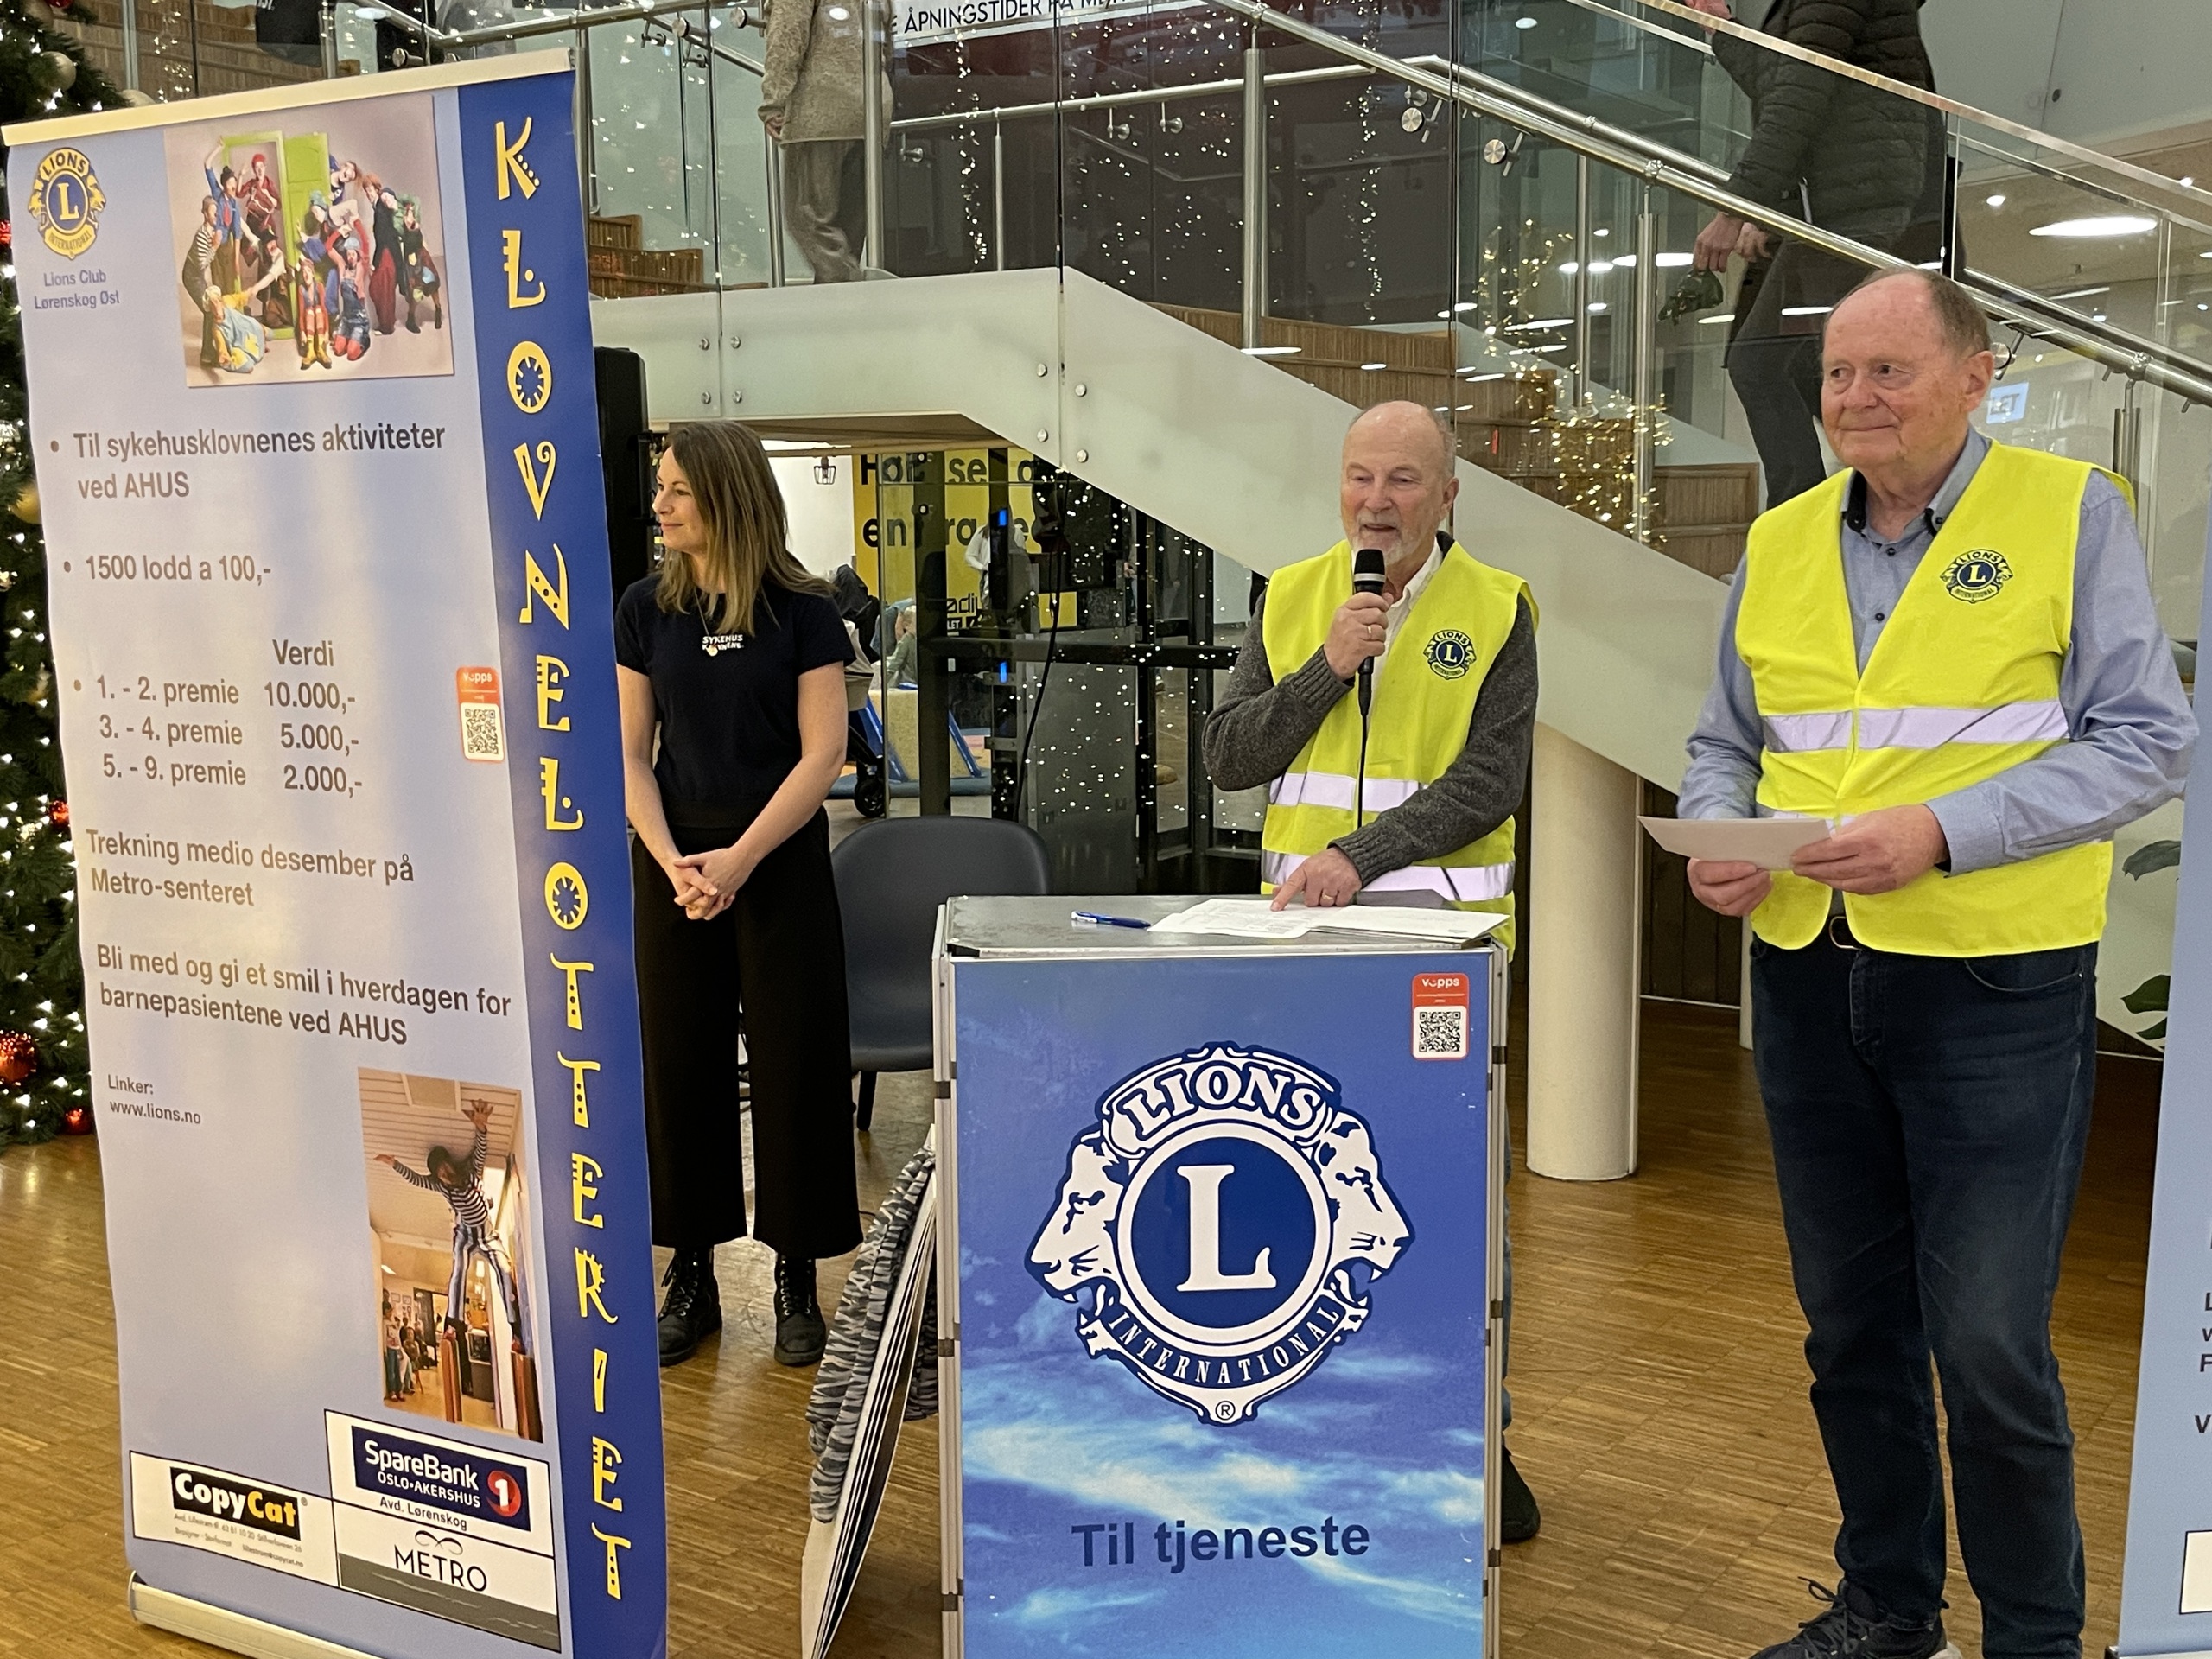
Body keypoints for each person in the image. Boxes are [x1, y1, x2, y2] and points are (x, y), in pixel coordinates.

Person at [1679, 269, 2194, 1659]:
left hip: (1993, 983)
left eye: (1888, 371)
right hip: (1808, 973)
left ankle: (2034, 1640)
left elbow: (2151, 740)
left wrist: (1944, 833)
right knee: (1849, 1330)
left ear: (1977, 376)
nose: (1854, 398)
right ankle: (1889, 1610)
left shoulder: (2072, 512)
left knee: (1987, 1347)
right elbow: (1726, 737)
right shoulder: (1781, 538)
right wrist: (1721, 834)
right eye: (1838, 373)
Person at [1201, 398, 1543, 1541]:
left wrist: (1365, 855)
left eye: (1403, 479)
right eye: (1360, 476)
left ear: (1448, 494)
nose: (1377, 501)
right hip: (1302, 959)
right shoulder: (1292, 596)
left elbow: (1491, 780)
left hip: (1438, 958)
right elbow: (1228, 758)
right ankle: (1324, 1428)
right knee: (1309, 1195)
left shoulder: (1497, 609)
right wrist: (1326, 668)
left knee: (1451, 1199)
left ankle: (1477, 1437)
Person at [617, 420, 862, 1369]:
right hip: (673, 865)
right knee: (679, 1064)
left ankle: (797, 1270)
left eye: (676, 488)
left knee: (798, 1062)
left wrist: (740, 859)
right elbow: (630, 755)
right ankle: (692, 1273)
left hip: (778, 859)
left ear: (726, 493)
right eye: (660, 487)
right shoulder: (645, 609)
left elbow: (824, 755)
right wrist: (675, 858)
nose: (660, 505)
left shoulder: (805, 611)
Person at [1684, 0, 1947, 509]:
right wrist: (1721, 27)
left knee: (1764, 364)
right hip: (1839, 198)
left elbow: (1796, 100)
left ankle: (1808, 520)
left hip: (1856, 200)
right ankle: (1874, 498)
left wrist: (1736, 209)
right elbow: (1785, 81)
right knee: (1807, 365)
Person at [375, 1099, 530, 1357]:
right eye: (440, 1174)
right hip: (465, 1235)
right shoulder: (440, 1185)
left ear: (451, 1165)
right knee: (458, 1272)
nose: (445, 1176)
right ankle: (452, 1326)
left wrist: (481, 1126)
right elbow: (416, 1180)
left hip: (487, 1234)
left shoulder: (470, 1172)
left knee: (504, 1272)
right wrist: (395, 1164)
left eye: (445, 1170)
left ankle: (515, 1332)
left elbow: (480, 1150)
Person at [759, 0, 884, 283]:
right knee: (848, 229)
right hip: (870, 107)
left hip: (821, 107)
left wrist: (773, 100)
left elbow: (787, 34)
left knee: (808, 217)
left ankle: (847, 292)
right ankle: (843, 297)